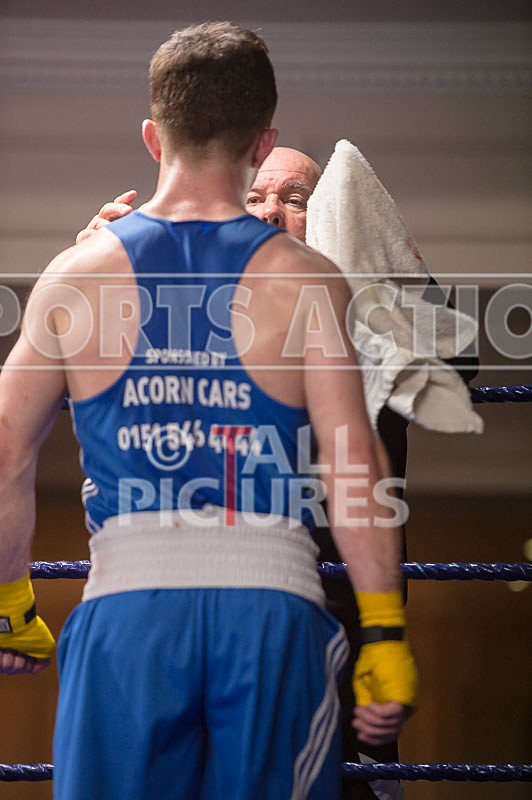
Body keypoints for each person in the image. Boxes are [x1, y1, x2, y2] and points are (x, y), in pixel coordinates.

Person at [0, 22, 417, 800]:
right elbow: (354, 461)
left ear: (154, 139)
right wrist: (384, 629)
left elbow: (5, 449)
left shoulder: (77, 274)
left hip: (128, 614)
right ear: (262, 142)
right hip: (271, 616)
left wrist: (7, 600)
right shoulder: (308, 278)